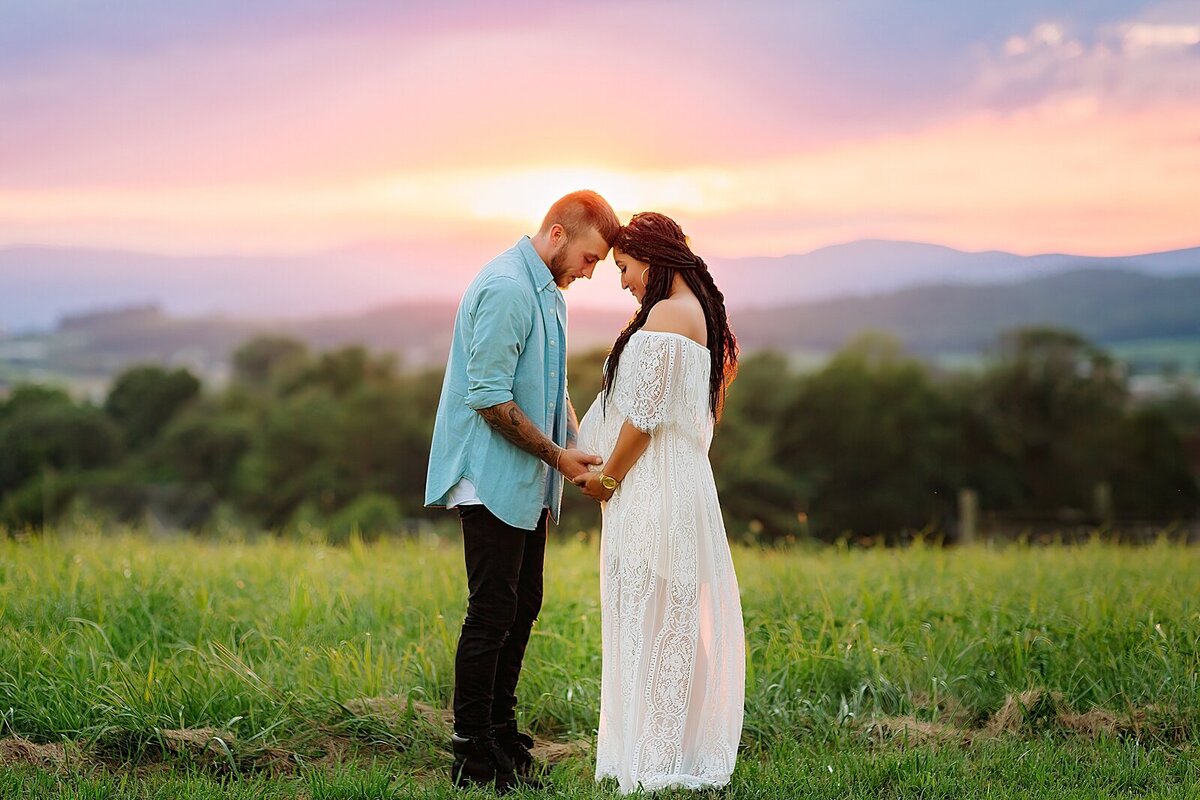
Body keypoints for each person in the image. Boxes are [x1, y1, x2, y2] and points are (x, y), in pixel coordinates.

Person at [425, 190, 619, 792]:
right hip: (489, 476)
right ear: (558, 234)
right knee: (490, 614)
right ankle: (471, 755)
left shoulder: (549, 295)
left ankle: (501, 734)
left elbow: (548, 385)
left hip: (528, 478)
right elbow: (489, 398)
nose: (590, 273)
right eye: (589, 259)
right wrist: (560, 457)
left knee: (521, 605)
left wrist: (582, 449)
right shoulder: (509, 288)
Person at [574, 212, 745, 794]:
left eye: (623, 267)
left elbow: (645, 419)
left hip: (655, 487)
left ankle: (658, 757)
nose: (621, 281)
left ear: (648, 257)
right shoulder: (691, 311)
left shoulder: (670, 314)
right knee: (669, 617)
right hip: (671, 483)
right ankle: (671, 746)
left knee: (655, 617)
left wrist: (608, 481)